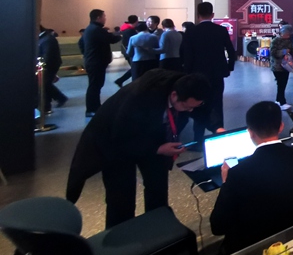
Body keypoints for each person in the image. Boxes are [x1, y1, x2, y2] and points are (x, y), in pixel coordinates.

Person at [66, 70, 210, 228]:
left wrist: (217, 127)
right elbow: (121, 138)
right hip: (115, 143)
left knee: (158, 187)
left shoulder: (183, 86)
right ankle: (121, 234)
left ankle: (158, 229)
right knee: (121, 197)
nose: (190, 111)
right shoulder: (139, 98)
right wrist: (158, 149)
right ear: (174, 96)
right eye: (186, 107)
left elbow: (199, 111)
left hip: (151, 136)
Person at [210, 101, 293, 254]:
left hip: (256, 251)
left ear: (250, 132)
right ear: (281, 127)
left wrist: (225, 182)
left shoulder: (238, 173)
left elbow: (218, 226)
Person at [181, 2, 236, 148]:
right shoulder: (221, 30)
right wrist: (229, 67)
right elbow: (231, 52)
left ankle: (198, 140)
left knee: (198, 104)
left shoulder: (191, 32)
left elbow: (187, 56)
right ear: (212, 15)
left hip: (197, 75)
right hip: (217, 74)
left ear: (198, 15)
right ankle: (219, 136)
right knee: (217, 104)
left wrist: (187, 73)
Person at [82, 9, 122, 117]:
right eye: (104, 16)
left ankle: (95, 107)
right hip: (96, 62)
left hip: (92, 61)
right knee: (95, 86)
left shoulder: (89, 29)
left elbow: (81, 43)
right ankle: (91, 109)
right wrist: (121, 35)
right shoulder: (97, 29)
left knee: (96, 85)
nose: (105, 18)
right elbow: (112, 39)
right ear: (98, 18)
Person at [38, 25, 68, 111]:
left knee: (45, 84)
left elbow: (48, 55)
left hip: (49, 65)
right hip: (48, 65)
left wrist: (43, 65)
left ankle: (50, 103)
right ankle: (57, 99)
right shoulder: (44, 38)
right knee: (45, 84)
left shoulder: (47, 39)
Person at [270, 25, 293, 109]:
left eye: (289, 34)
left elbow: (292, 50)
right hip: (277, 66)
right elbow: (273, 52)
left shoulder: (289, 41)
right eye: (287, 34)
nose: (288, 36)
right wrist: (284, 51)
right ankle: (282, 102)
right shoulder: (275, 41)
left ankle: (278, 100)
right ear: (283, 33)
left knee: (283, 83)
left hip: (287, 65)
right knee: (281, 84)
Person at [115, 18, 139, 88]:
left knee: (134, 68)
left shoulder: (124, 29)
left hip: (126, 51)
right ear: (136, 21)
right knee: (134, 69)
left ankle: (120, 80)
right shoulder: (130, 31)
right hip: (131, 52)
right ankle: (132, 84)